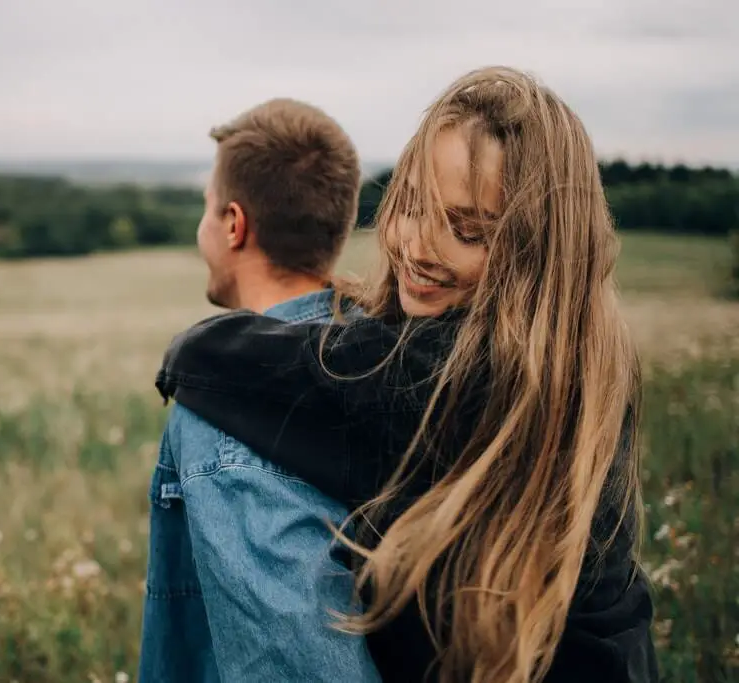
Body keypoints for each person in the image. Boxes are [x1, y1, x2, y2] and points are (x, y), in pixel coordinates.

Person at [155, 67, 659, 682]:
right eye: (412, 206)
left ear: (540, 256)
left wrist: (191, 348)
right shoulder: (576, 353)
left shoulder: (474, 376)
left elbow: (285, 375)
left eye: (470, 232)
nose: (421, 247)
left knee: (207, 428)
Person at [137, 98, 382, 682]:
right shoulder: (386, 357)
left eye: (207, 210)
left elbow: (295, 666)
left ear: (233, 224)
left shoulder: (228, 409)